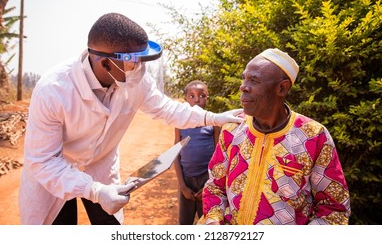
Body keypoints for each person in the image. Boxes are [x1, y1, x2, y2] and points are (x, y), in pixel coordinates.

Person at [18, 13, 243, 225]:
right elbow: (44, 161)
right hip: (54, 175)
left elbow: (166, 108)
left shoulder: (134, 80)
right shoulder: (53, 91)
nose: (140, 68)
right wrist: (94, 191)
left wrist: (212, 117)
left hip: (100, 168)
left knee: (111, 228)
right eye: (134, 61)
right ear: (105, 63)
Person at [201, 48, 351, 225]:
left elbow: (334, 210)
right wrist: (213, 221)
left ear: (282, 88)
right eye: (244, 78)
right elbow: (215, 188)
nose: (243, 86)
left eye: (254, 80)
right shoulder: (232, 130)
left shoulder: (313, 136)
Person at [174, 80, 221, 225]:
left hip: (206, 180)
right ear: (186, 99)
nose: (197, 100)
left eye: (202, 95)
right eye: (191, 96)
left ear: (207, 98)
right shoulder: (180, 122)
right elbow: (176, 154)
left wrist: (208, 184)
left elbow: (218, 155)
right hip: (186, 180)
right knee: (185, 223)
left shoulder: (213, 122)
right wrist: (182, 186)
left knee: (206, 221)